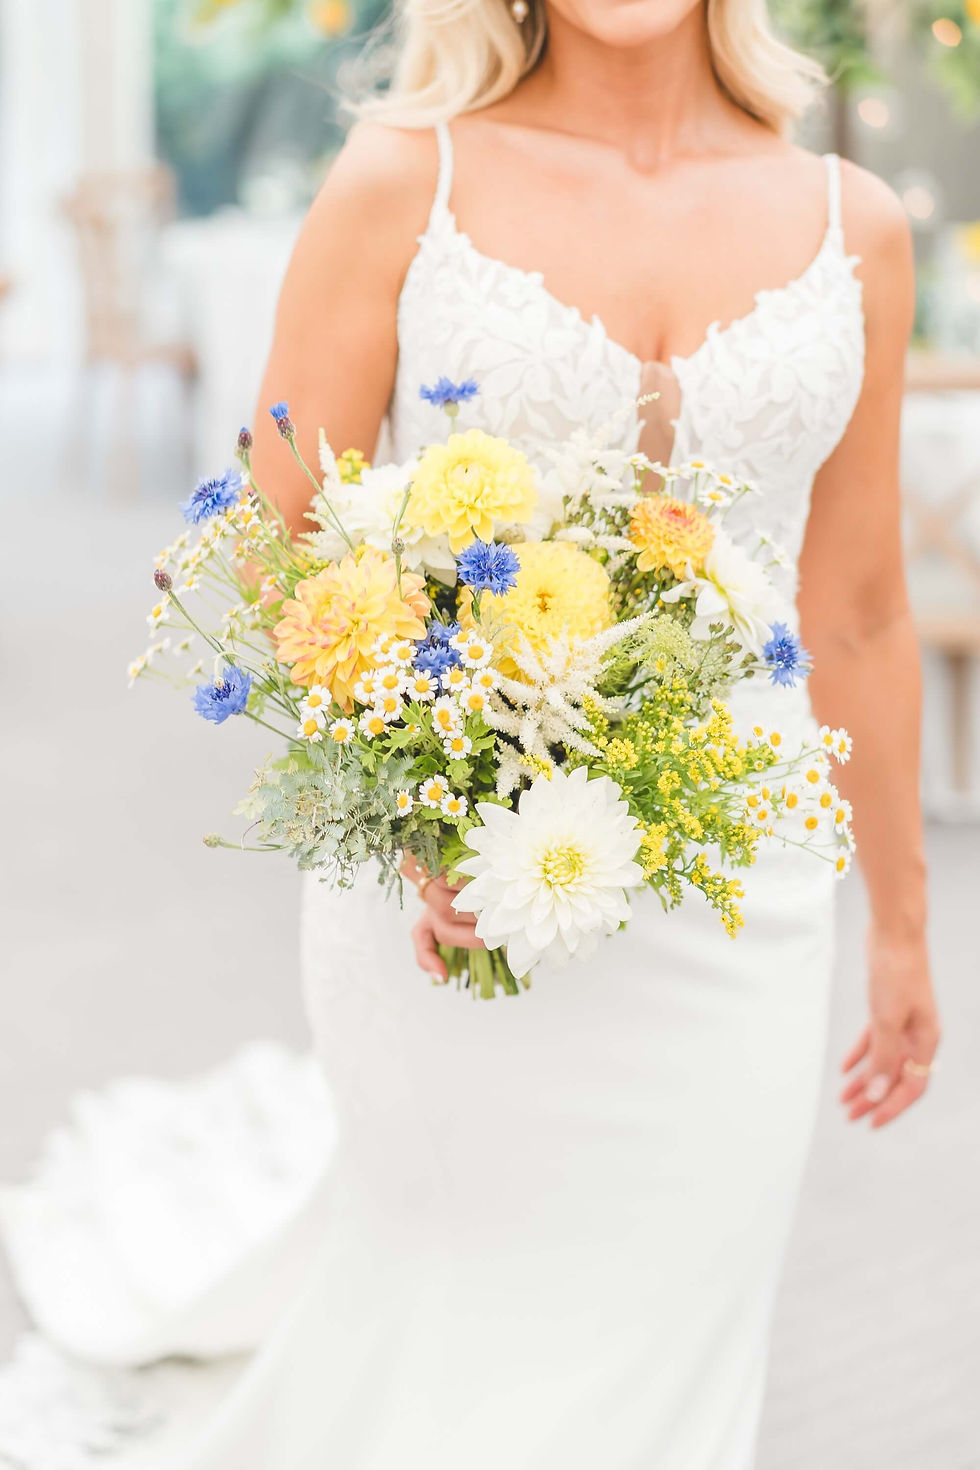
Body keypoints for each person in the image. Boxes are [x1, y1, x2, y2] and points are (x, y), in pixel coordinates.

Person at [0, 1, 941, 1466]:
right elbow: (273, 540)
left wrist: (904, 927)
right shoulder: (404, 178)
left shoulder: (856, 223)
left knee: (674, 1318)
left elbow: (864, 613)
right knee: (460, 1307)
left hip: (742, 890)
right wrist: (420, 797)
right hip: (440, 884)